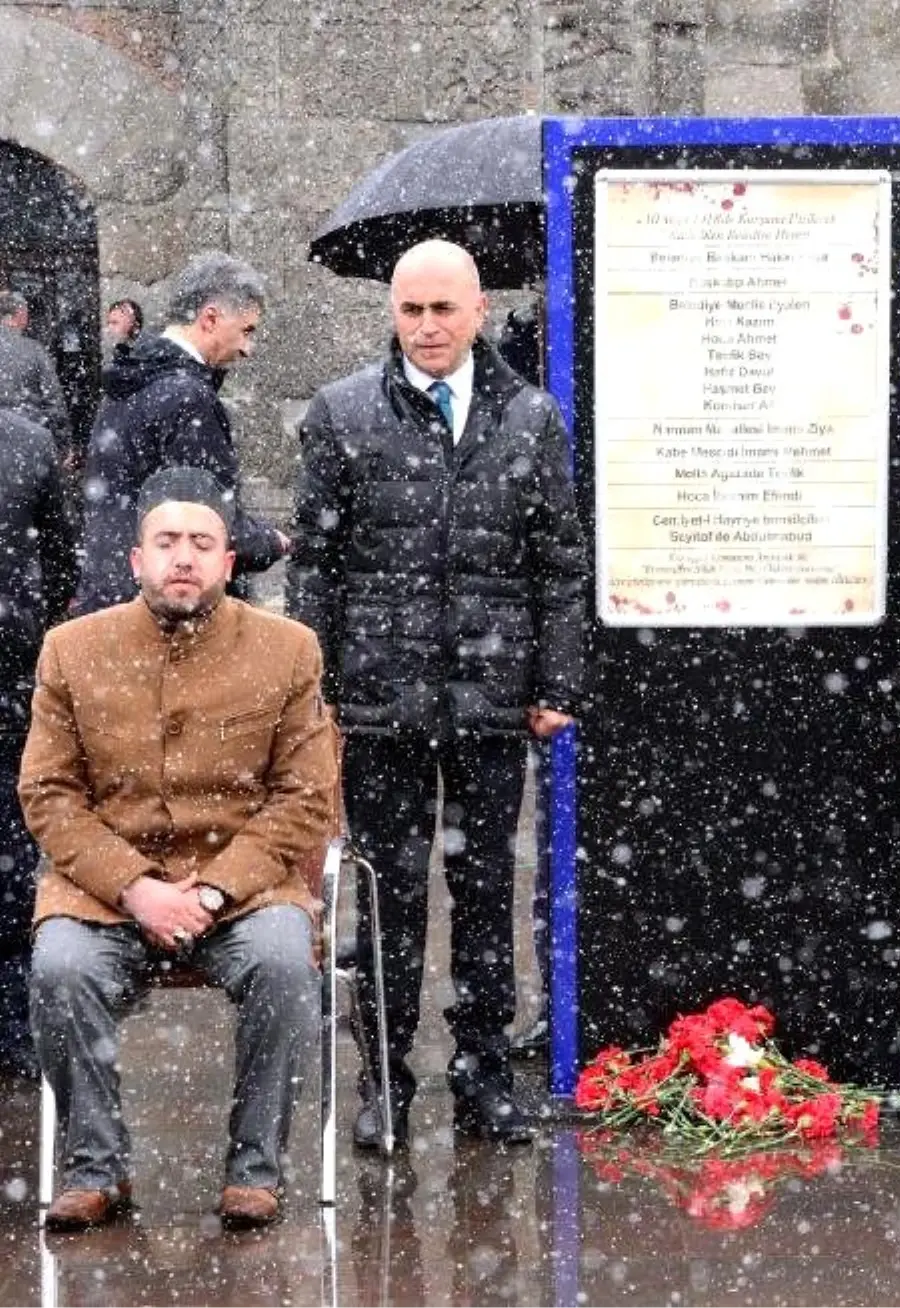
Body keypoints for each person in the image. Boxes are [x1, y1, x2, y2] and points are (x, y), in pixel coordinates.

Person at [287, 238, 586, 1149]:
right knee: (388, 898)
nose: (426, 327)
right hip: (381, 706)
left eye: (442, 309)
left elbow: (560, 565)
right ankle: (385, 1082)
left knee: (488, 889)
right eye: (411, 309)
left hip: (492, 703)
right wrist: (320, 692)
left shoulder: (531, 420)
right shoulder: (341, 414)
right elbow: (317, 571)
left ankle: (484, 1073)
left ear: (479, 311)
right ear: (392, 312)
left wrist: (556, 681)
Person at [21, 466, 337, 1231]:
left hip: (245, 889)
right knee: (59, 968)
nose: (184, 558)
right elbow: (48, 793)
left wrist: (213, 890)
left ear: (230, 562)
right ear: (136, 560)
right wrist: (134, 887)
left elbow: (305, 797)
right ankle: (99, 1169)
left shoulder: (288, 650)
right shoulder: (71, 650)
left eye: (203, 543)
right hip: (104, 890)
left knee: (284, 965)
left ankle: (254, 1172)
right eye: (167, 542)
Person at [75, 252, 289, 615]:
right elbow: (207, 515)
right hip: (162, 606)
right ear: (210, 318)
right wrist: (270, 541)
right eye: (246, 330)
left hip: (113, 592)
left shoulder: (132, 379)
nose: (247, 349)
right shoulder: (187, 397)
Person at [0, 407, 75, 1079]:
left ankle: (16, 1021)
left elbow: (57, 562)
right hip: (11, 666)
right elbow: (58, 563)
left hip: (9, 678)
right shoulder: (26, 444)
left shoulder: (27, 443)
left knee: (16, 853)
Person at [0, 290, 71, 456]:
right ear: (20, 314)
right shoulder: (34, 351)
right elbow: (54, 401)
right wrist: (62, 444)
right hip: (28, 444)